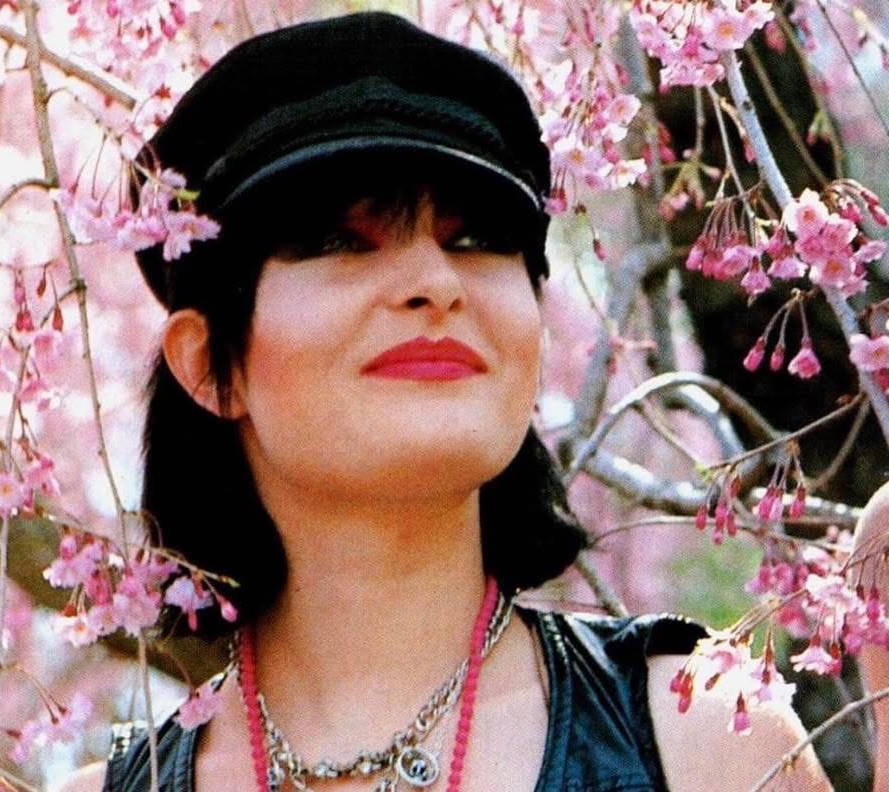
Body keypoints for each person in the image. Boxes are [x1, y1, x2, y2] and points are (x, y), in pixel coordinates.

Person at [57, 11, 832, 792]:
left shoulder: (703, 735)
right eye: (340, 242)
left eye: (477, 240)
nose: (435, 283)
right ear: (208, 365)